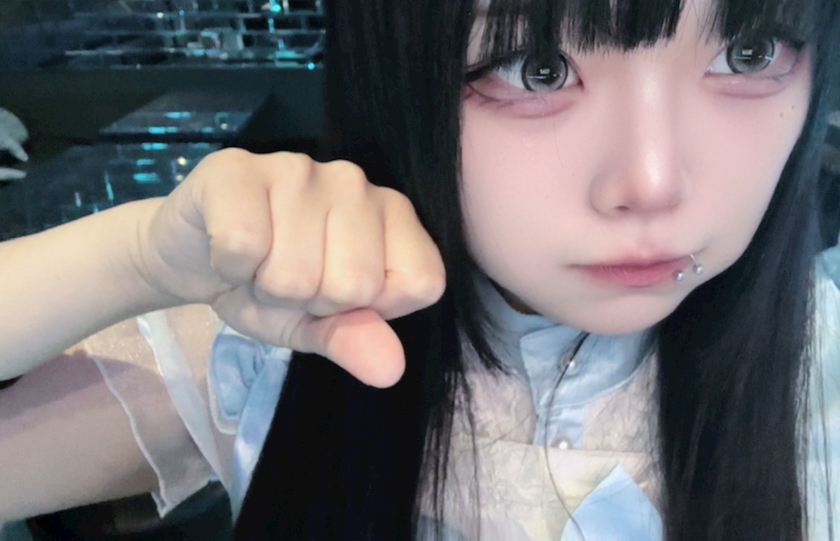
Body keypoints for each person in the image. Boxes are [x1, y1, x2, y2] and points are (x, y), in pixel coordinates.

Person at [2, 0, 840, 539]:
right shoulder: (281, 347)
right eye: (537, 66)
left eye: (749, 51)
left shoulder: (824, 379)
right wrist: (133, 257)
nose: (653, 182)